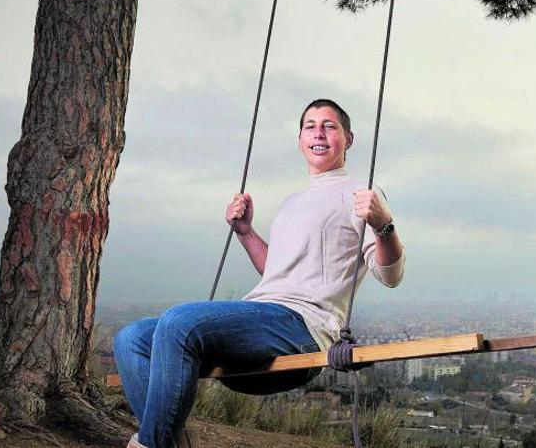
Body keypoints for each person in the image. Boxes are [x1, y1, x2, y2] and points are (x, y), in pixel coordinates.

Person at [114, 99, 406, 448]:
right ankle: (167, 440)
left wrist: (384, 224)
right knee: (131, 338)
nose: (319, 133)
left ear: (348, 139)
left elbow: (390, 276)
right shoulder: (292, 202)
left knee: (179, 322)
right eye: (310, 126)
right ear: (300, 140)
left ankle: (154, 444)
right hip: (263, 317)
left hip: (303, 326)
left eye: (329, 126)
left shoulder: (359, 193)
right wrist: (246, 232)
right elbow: (276, 272)